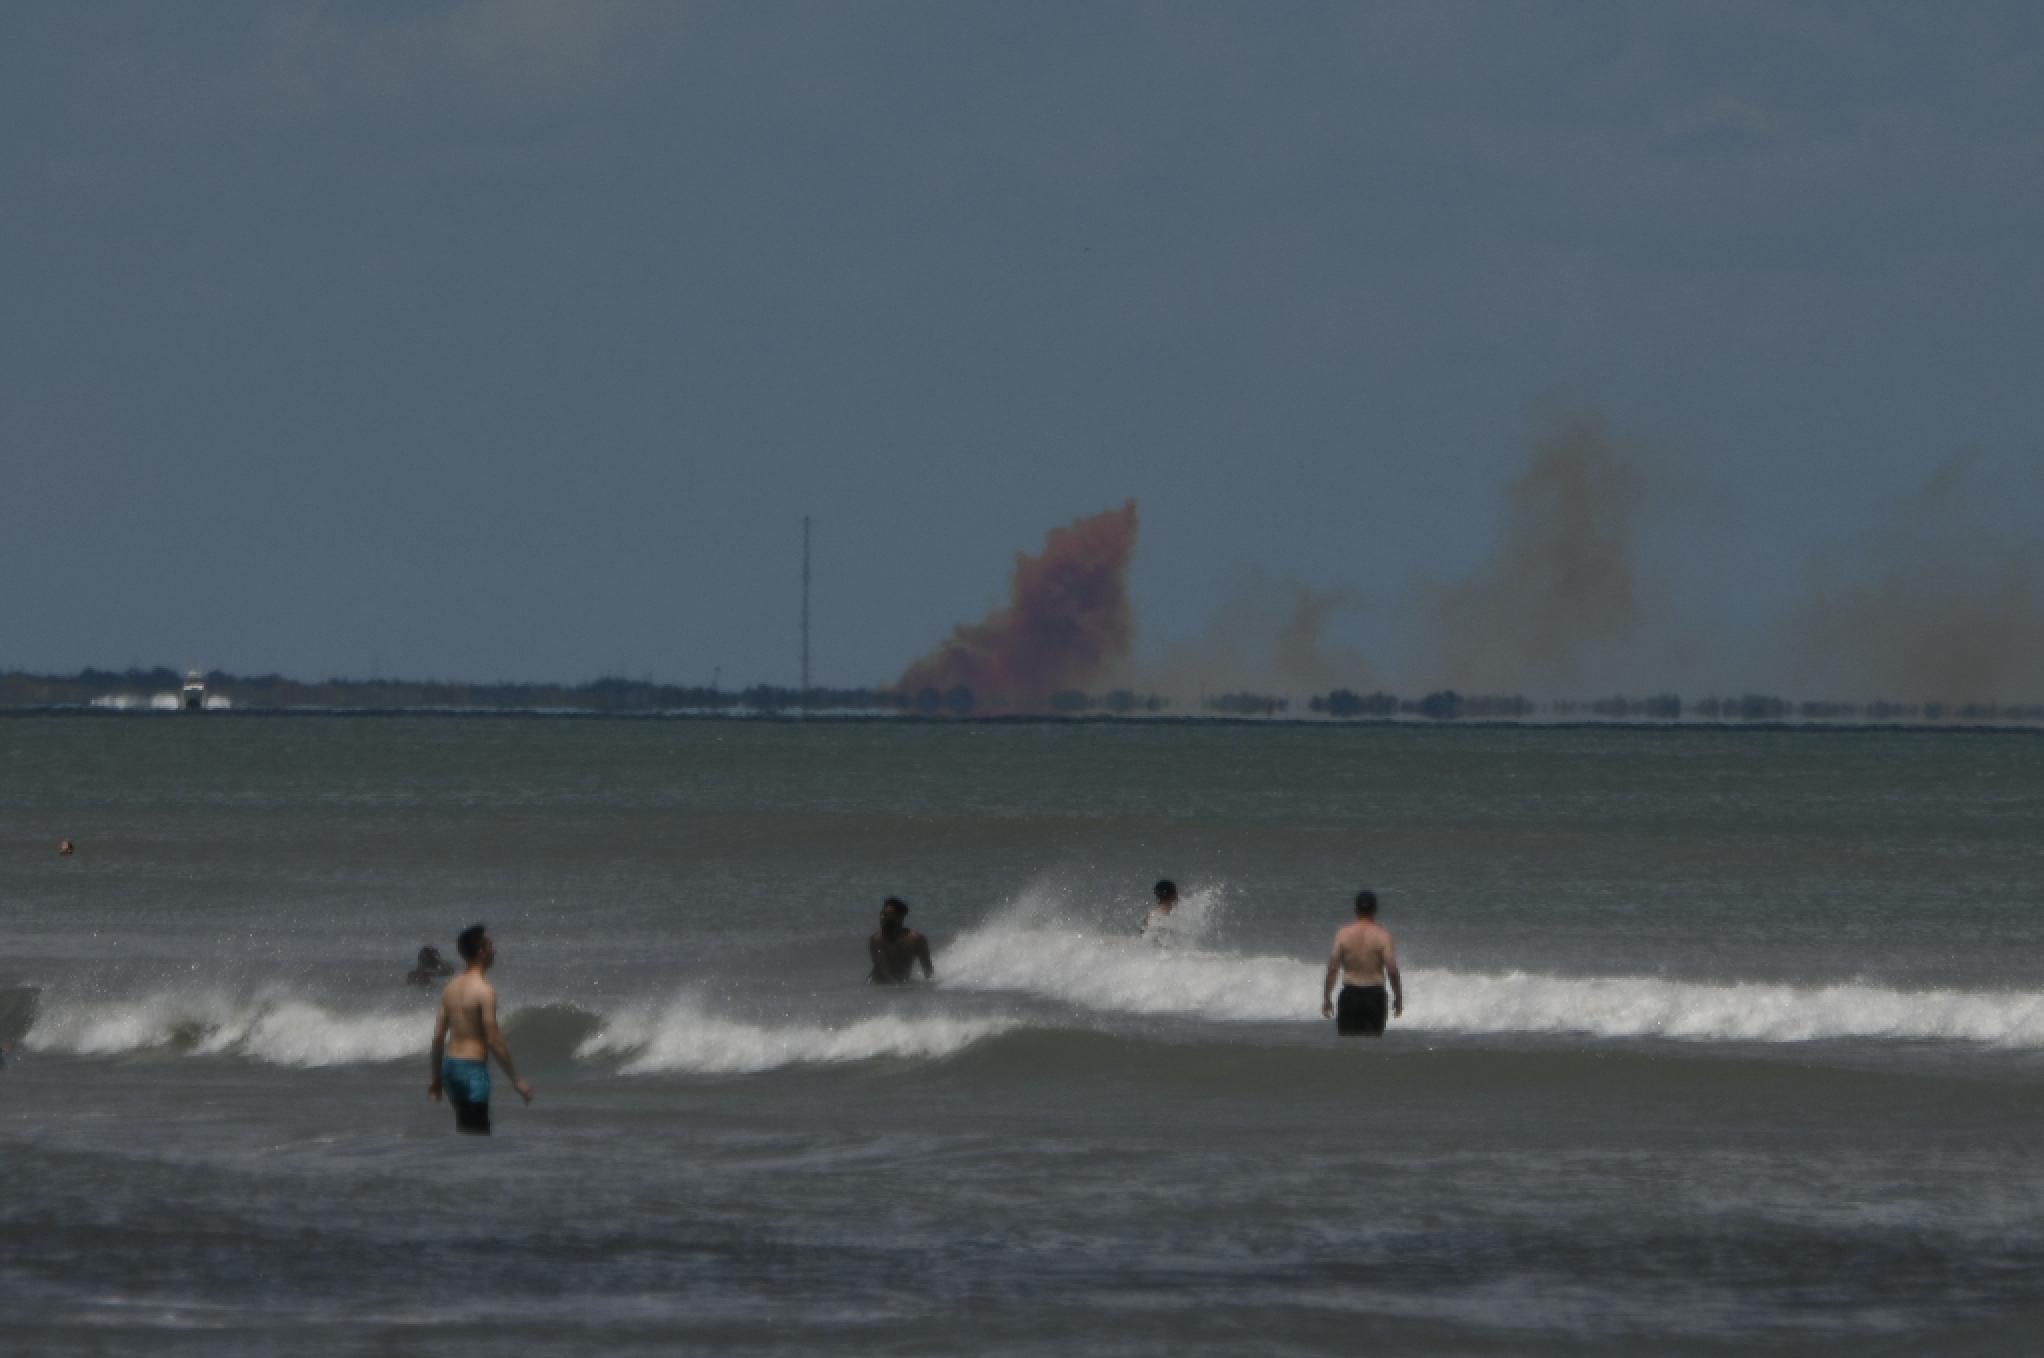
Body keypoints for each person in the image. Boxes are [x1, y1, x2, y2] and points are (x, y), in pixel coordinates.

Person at [428, 924, 533, 1134]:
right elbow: (493, 1039)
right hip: (472, 1071)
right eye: (491, 945)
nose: (495, 950)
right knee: (478, 1135)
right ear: (481, 952)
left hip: (451, 1070)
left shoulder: (450, 988)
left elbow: (438, 1038)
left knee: (466, 1131)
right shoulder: (485, 991)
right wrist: (517, 1079)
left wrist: (437, 1079)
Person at [1321, 889, 1403, 1037]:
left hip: (1350, 996)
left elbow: (1333, 969)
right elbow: (1392, 970)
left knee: (1348, 1048)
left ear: (1355, 909)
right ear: (1376, 909)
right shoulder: (1383, 936)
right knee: (1373, 1047)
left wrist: (1327, 998)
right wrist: (1398, 998)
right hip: (1375, 997)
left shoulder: (1343, 934)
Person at [868, 898, 934, 984]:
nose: (883, 918)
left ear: (901, 917)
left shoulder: (916, 939)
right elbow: (882, 968)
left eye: (888, 915)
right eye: (882, 914)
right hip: (877, 984)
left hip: (900, 986)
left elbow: (928, 971)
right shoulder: (876, 939)